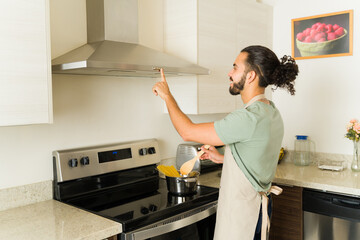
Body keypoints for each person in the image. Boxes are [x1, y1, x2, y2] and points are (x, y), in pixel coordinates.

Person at [152, 45, 299, 240]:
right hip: (259, 209)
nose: (230, 73)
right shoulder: (271, 111)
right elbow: (257, 156)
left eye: (235, 67)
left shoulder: (247, 118)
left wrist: (167, 96)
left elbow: (186, 131)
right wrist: (222, 158)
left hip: (243, 214)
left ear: (251, 76)